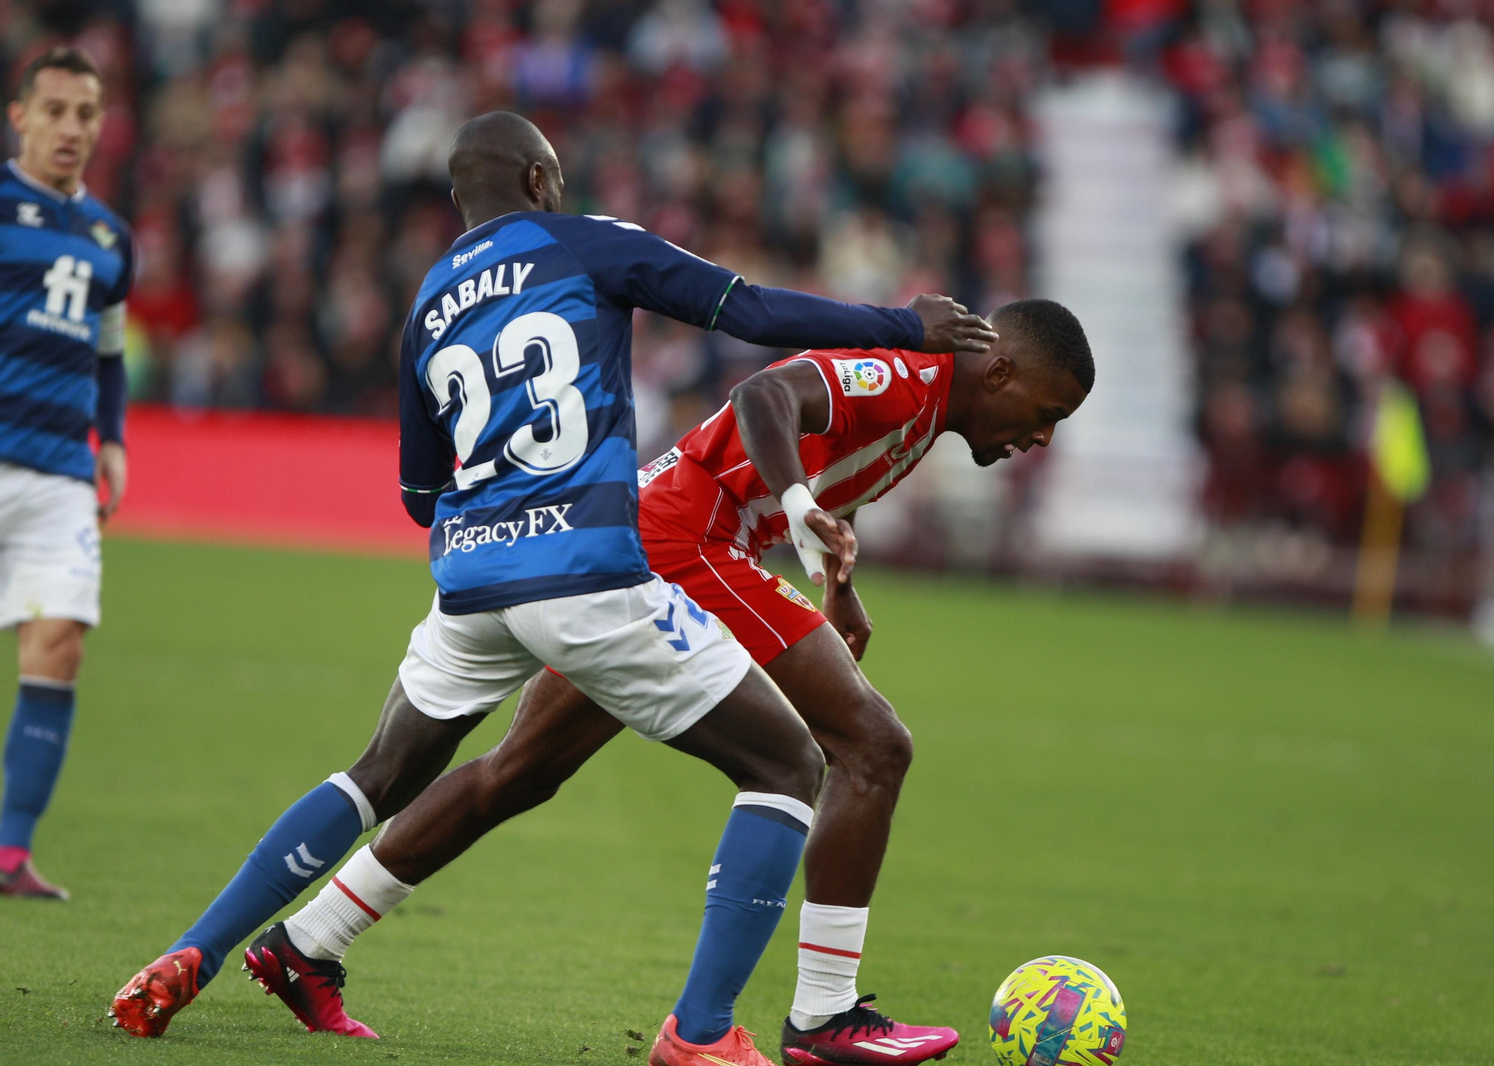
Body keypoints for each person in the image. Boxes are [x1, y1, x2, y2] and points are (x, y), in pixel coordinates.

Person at [109, 111, 996, 1066]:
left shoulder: (429, 303)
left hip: (469, 580)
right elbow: (748, 313)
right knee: (785, 766)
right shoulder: (587, 243)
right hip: (583, 571)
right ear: (539, 180)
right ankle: (702, 1035)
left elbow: (418, 492)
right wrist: (903, 325)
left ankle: (194, 949)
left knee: (377, 775)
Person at [254, 299, 1093, 1066]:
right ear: (1001, 373)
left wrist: (835, 577)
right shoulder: (910, 376)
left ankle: (307, 942)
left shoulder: (927, 411)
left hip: (650, 536)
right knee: (872, 745)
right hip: (690, 540)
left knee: (521, 770)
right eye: (1047, 414)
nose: (1042, 437)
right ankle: (824, 1016)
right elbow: (769, 396)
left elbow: (820, 458)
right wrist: (799, 507)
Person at [0, 46, 133, 901]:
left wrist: (112, 439)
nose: (72, 129)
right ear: (20, 117)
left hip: (56, 476)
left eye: (86, 113)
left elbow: (112, 354)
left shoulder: (112, 237)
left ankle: (9, 856)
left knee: (60, 645)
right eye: (54, 110)